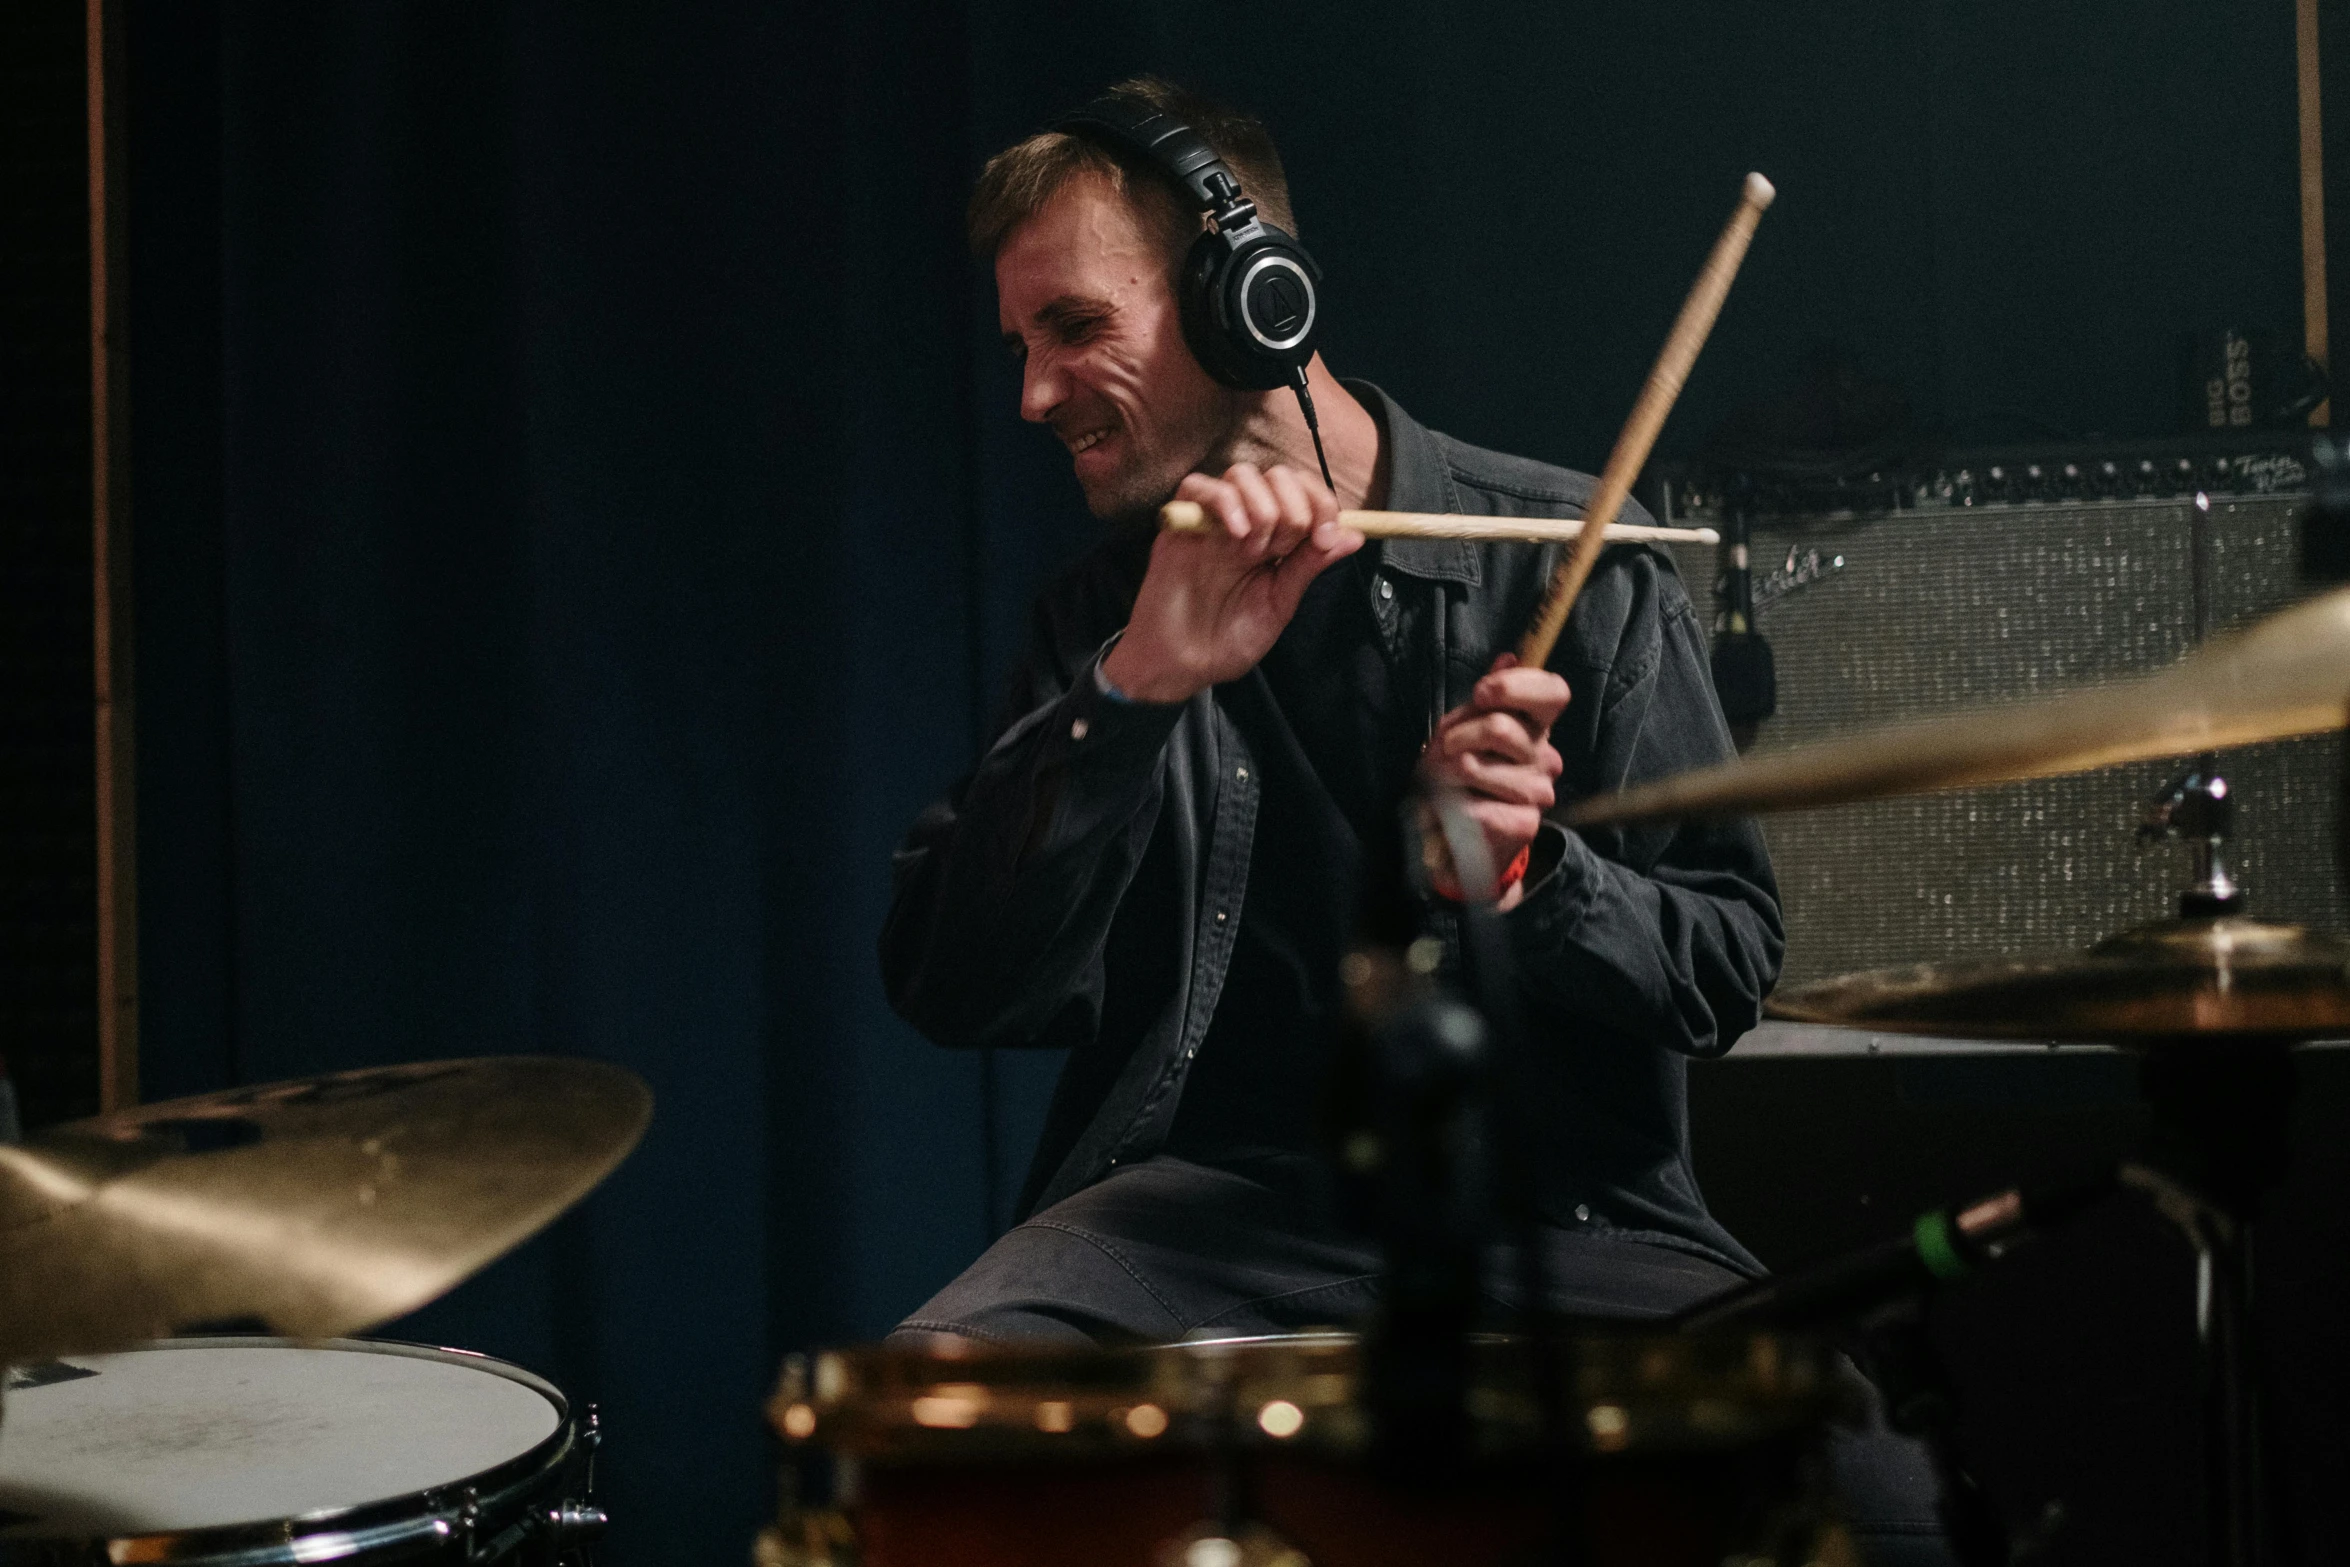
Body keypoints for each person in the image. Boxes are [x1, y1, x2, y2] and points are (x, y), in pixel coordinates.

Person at [880, 74, 1784, 1341]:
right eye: (1022, 347)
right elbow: (956, 989)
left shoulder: (1572, 552)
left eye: (1074, 327)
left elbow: (1726, 965)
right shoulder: (1102, 618)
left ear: (1249, 300)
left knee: (1874, 1493)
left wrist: (1526, 877)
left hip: (1561, 1216)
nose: (1034, 394)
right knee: (941, 1423)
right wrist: (1134, 688)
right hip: (1191, 1216)